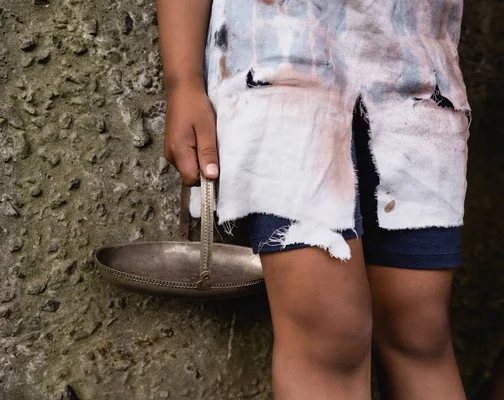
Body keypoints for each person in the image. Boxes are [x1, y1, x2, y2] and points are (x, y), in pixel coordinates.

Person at [156, 1, 471, 399]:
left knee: (420, 333)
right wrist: (182, 81)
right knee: (331, 334)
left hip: (420, 75)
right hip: (279, 64)